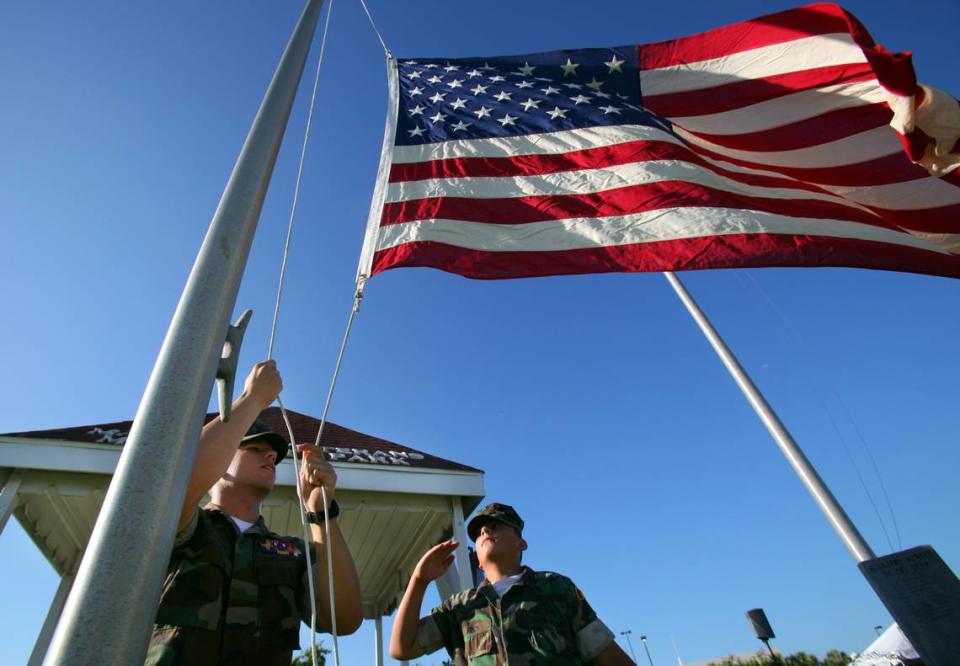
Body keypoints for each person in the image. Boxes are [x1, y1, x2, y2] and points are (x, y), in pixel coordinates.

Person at [146, 360, 363, 665]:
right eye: (254, 449)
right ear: (220, 460)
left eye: (272, 452)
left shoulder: (292, 553)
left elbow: (345, 620)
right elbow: (176, 484)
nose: (271, 455)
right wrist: (252, 399)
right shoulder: (188, 526)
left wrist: (321, 513)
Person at [389, 502, 635, 665]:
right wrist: (419, 581)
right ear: (479, 561)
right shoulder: (460, 607)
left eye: (495, 525)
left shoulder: (555, 588)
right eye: (479, 532)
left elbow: (608, 656)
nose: (485, 530)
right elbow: (402, 648)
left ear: (521, 543)